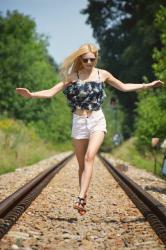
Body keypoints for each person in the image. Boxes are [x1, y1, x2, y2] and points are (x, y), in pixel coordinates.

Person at [16, 43, 164, 215]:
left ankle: (79, 198)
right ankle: (83, 195)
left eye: (92, 59)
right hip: (79, 122)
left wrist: (147, 85)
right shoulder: (74, 76)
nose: (88, 62)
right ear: (80, 59)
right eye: (85, 59)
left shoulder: (103, 74)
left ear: (96, 59)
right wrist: (31, 95)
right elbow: (51, 92)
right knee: (81, 165)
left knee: (89, 157)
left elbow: (124, 87)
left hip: (97, 120)